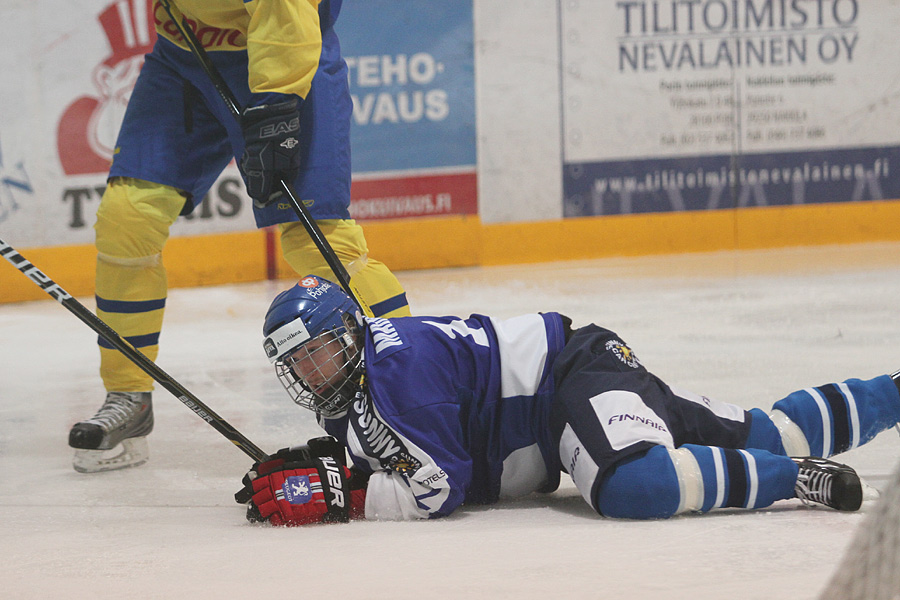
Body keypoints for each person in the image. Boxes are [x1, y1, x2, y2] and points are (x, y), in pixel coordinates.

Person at [232, 275, 900, 525]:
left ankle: (796, 483)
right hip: (578, 375)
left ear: (349, 332)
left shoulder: (398, 379)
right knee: (769, 430)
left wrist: (344, 494)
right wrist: (340, 464)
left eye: (319, 350)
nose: (314, 372)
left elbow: (440, 490)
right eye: (298, 362)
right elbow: (401, 456)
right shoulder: (355, 387)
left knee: (631, 486)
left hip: (569, 382)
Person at [68, 1, 410, 474]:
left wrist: (277, 101)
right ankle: (129, 393)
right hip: (182, 56)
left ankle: (416, 386)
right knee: (127, 218)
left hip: (283, 54)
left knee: (318, 243)